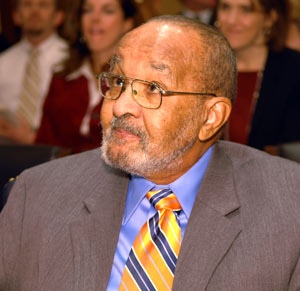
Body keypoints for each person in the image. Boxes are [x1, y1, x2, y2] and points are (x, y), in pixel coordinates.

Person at [1, 15, 300, 290]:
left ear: (210, 117)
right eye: (118, 82)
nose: (119, 106)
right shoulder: (37, 194)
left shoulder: (288, 208)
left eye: (153, 88)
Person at [35, 0, 139, 153]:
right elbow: (43, 144)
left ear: (127, 23)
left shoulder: (137, 80)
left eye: (107, 11)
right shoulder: (62, 78)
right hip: (61, 172)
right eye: (87, 10)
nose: (95, 18)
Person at [216, 0, 300, 152]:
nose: (231, 20)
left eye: (246, 10)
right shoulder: (205, 66)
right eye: (225, 7)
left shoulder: (294, 71)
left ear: (270, 18)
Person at [0, 0, 68, 144]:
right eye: (27, 4)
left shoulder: (71, 60)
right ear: (16, 16)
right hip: (6, 148)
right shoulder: (3, 62)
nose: (34, 11)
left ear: (58, 17)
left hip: (54, 148)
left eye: (43, 5)